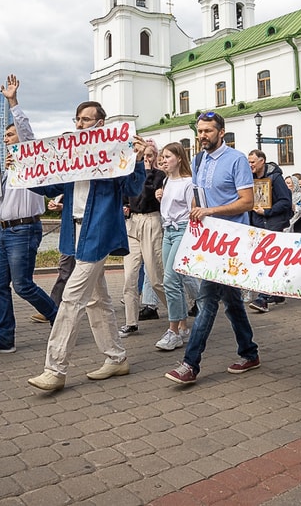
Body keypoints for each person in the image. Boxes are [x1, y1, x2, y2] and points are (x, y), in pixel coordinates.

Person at [26, 101, 147, 392]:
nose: (80, 125)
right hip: (75, 231)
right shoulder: (71, 154)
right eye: (78, 120)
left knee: (71, 299)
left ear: (101, 123)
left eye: (86, 120)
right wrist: (21, 171)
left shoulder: (113, 153)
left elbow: (132, 189)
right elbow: (49, 185)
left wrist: (138, 159)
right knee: (96, 300)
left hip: (98, 233)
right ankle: (117, 358)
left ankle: (54, 369)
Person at [164, 111, 260, 385]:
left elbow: (247, 202)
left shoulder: (237, 159)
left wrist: (211, 210)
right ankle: (249, 352)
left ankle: (190, 364)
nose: (202, 136)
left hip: (231, 240)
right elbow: (198, 195)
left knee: (206, 300)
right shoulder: (198, 159)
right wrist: (196, 211)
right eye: (200, 131)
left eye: (207, 131)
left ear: (221, 131)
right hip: (208, 240)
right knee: (230, 301)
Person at [0, 75, 58, 354]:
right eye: (4, 136)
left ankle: (57, 317)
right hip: (4, 229)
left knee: (22, 285)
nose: (6, 139)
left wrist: (13, 101)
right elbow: (8, 197)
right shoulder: (8, 166)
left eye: (9, 135)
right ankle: (5, 337)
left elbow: (25, 130)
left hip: (24, 229)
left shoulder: (31, 158)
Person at [153, 142, 199, 351]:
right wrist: (159, 196)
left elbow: (193, 209)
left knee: (170, 279)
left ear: (179, 158)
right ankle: (182, 327)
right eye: (162, 157)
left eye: (168, 157)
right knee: (174, 279)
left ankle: (172, 331)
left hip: (182, 229)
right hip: (168, 230)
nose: (163, 160)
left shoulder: (189, 182)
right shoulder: (165, 181)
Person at [120, 142, 166, 336]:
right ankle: (131, 321)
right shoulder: (129, 173)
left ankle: (176, 313)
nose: (146, 159)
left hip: (151, 220)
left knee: (156, 277)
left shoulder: (159, 176)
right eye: (142, 155)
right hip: (133, 223)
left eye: (149, 155)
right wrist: (124, 207)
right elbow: (125, 194)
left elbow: (147, 196)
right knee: (129, 276)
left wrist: (147, 171)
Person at [247, 149, 292, 313]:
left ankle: (262, 298)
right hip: (257, 224)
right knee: (265, 261)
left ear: (262, 161)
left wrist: (267, 211)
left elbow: (286, 201)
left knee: (267, 261)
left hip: (273, 223)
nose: (250, 165)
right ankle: (277, 294)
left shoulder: (275, 177)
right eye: (248, 162)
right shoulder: (250, 178)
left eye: (252, 162)